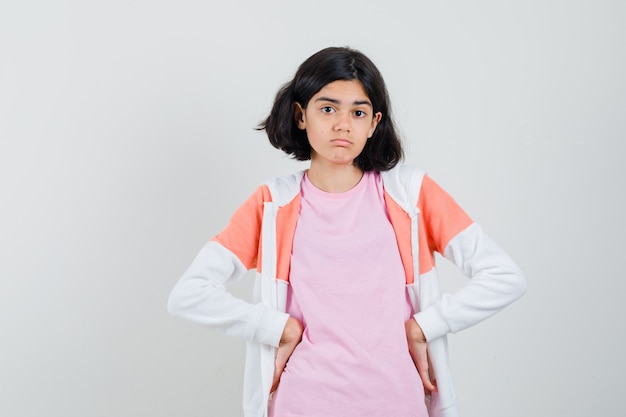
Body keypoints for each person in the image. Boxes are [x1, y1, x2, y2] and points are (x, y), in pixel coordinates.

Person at [167, 46, 526, 417]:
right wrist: (277, 328)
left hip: (397, 403)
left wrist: (424, 326)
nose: (343, 124)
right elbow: (189, 294)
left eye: (358, 112)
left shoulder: (410, 196)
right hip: (303, 403)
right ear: (300, 115)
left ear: (374, 123)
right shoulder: (272, 204)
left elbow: (504, 276)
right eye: (327, 108)